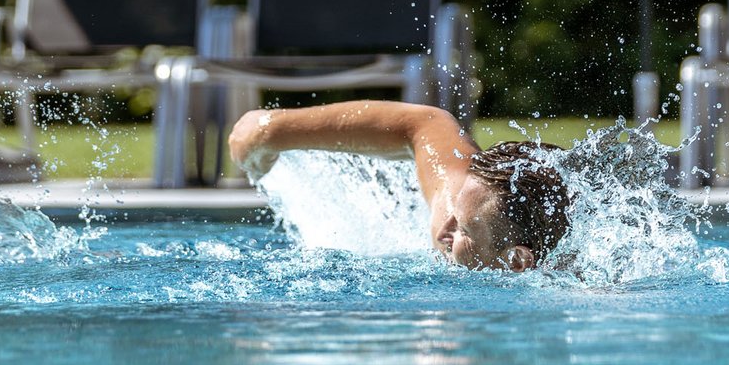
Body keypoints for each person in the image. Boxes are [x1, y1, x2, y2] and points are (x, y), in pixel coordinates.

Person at [228, 100, 572, 271]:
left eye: (464, 228)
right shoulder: (455, 198)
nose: (444, 225)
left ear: (517, 261)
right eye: (456, 206)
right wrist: (266, 133)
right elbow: (425, 123)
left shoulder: (574, 276)